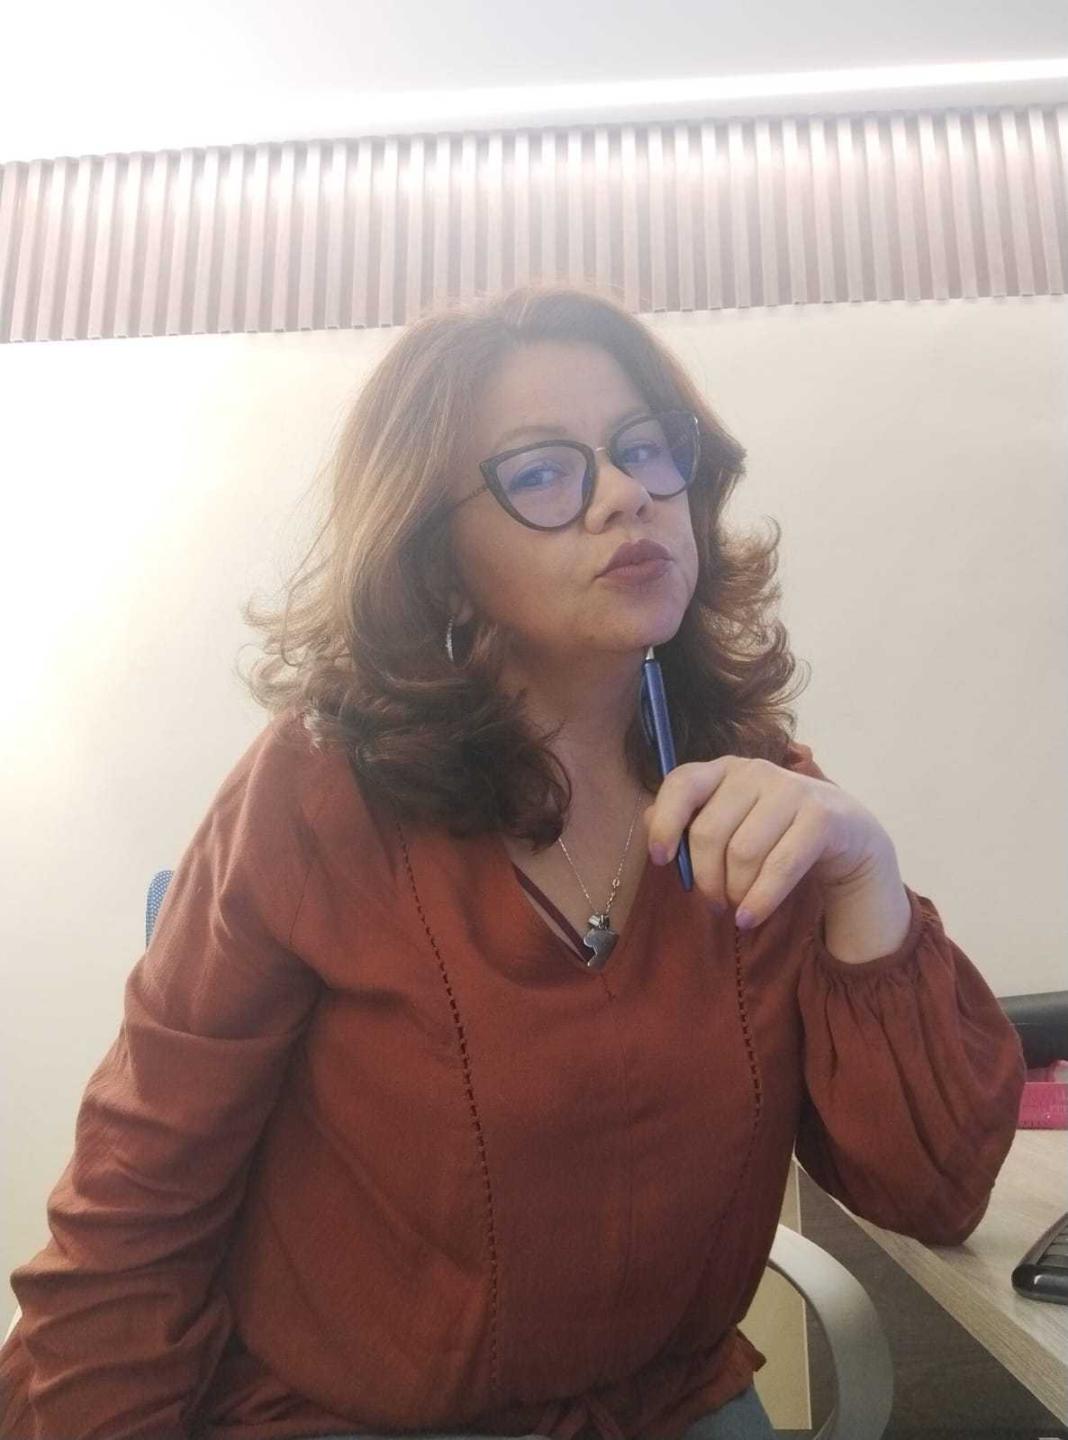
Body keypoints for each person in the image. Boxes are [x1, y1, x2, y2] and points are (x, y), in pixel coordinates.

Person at [0, 284, 1025, 1440]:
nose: (627, 494)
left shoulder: (758, 794)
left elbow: (931, 1191)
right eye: (542, 472)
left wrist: (863, 876)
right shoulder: (318, 793)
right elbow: (132, 1224)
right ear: (437, 555)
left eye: (646, 448)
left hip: (666, 1407)